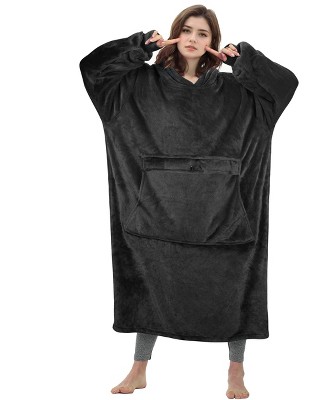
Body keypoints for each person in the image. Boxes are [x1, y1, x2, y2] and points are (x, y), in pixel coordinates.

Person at [79, 4, 298, 399]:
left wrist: (244, 61)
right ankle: (139, 369)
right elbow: (93, 70)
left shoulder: (238, 92)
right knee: (149, 280)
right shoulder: (138, 85)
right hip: (157, 211)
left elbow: (285, 85)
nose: (194, 39)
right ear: (175, 34)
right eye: (187, 30)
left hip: (224, 214)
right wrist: (138, 47)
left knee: (235, 284)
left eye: (203, 33)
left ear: (213, 42)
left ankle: (236, 371)